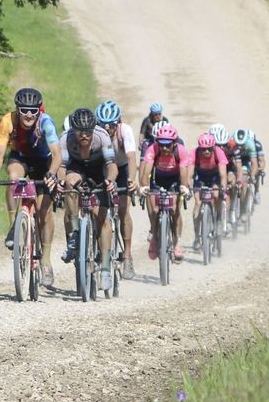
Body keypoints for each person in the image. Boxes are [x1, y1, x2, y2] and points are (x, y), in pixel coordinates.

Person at [0, 87, 60, 287]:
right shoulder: (7, 121)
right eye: (24, 110)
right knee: (13, 178)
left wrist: (52, 174)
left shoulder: (46, 122)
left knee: (44, 212)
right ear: (17, 109)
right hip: (20, 158)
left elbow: (57, 154)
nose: (29, 115)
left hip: (43, 161)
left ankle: (46, 260)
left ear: (39, 110)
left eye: (33, 111)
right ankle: (13, 226)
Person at [56, 107, 119, 292]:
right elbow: (62, 166)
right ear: (73, 130)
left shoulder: (102, 137)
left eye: (88, 132)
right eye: (80, 132)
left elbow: (112, 165)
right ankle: (75, 233)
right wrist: (61, 181)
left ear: (94, 128)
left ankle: (106, 268)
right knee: (70, 183)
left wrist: (110, 181)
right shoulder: (66, 139)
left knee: (102, 217)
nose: (84, 136)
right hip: (78, 168)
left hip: (99, 169)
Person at [95, 100, 139, 280]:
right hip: (102, 168)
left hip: (121, 168)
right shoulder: (95, 133)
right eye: (103, 125)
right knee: (99, 210)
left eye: (111, 126)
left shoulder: (125, 131)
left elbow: (131, 158)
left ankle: (127, 255)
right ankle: (100, 248)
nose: (107, 129)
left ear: (118, 123)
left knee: (123, 210)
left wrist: (132, 180)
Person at [138, 123, 193, 262]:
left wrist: (184, 187)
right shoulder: (153, 149)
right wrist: (144, 186)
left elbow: (184, 173)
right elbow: (146, 171)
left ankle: (176, 243)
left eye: (168, 145)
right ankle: (155, 237)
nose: (164, 148)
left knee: (175, 210)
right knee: (154, 210)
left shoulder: (181, 150)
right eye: (161, 144)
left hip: (175, 179)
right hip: (158, 179)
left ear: (174, 144)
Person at [190, 131, 230, 250]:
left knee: (217, 195)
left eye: (209, 149)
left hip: (214, 177)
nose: (206, 151)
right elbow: (190, 173)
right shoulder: (195, 153)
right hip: (200, 177)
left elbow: (223, 175)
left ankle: (217, 219)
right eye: (203, 149)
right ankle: (197, 236)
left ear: (213, 147)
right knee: (197, 203)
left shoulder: (219, 152)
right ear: (200, 148)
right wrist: (187, 186)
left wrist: (223, 188)